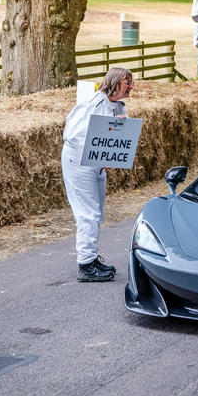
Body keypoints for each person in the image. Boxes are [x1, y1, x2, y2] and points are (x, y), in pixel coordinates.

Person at [61, 67, 134, 282]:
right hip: (80, 162)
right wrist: (101, 155)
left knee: (97, 212)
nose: (131, 87)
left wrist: (110, 156)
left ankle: (91, 258)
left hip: (96, 164)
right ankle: (86, 265)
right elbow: (74, 135)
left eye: (131, 82)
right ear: (114, 83)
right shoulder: (92, 105)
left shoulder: (118, 106)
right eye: (126, 82)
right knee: (88, 214)